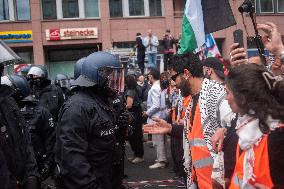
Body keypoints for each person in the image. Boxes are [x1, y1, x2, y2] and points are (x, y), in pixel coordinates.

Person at [144, 52, 233, 188]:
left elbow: (238, 128)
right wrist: (171, 128)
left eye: (174, 77)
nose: (173, 83)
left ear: (186, 73)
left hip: (218, 182)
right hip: (199, 179)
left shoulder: (216, 93)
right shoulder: (193, 98)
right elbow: (197, 134)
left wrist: (226, 131)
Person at [55, 52, 124, 189]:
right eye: (110, 76)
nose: (114, 81)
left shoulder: (102, 103)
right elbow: (73, 159)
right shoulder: (77, 108)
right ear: (96, 76)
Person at [225, 64, 284, 189]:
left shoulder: (277, 139)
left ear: (242, 98)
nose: (226, 98)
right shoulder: (246, 135)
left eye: (227, 92)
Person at [1, 75, 56, 182]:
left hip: (34, 167)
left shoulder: (40, 112)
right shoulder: (7, 112)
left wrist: (48, 163)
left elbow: (50, 140)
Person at [0, 40, 39, 189]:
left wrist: (32, 174)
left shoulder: (8, 100)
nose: (2, 69)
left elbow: (25, 138)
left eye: (1, 66)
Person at [143, 68, 168, 169]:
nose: (148, 77)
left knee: (158, 140)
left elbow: (156, 105)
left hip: (156, 117)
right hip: (161, 115)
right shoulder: (159, 86)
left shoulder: (154, 88)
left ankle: (161, 160)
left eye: (149, 75)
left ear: (151, 76)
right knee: (161, 139)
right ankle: (162, 159)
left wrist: (147, 113)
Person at [125, 74, 144, 164]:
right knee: (137, 134)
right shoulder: (138, 88)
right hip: (137, 113)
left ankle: (139, 155)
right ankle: (137, 154)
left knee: (134, 135)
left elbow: (129, 105)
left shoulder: (130, 91)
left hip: (133, 114)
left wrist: (121, 107)